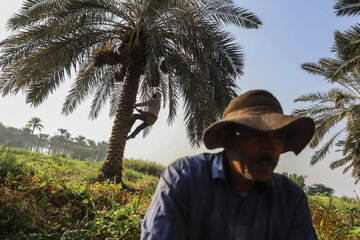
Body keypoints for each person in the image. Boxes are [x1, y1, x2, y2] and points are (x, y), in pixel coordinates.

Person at [141, 90, 318, 240]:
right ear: (228, 138)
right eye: (258, 135)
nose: (271, 149)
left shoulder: (290, 199)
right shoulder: (183, 179)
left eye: (278, 137)